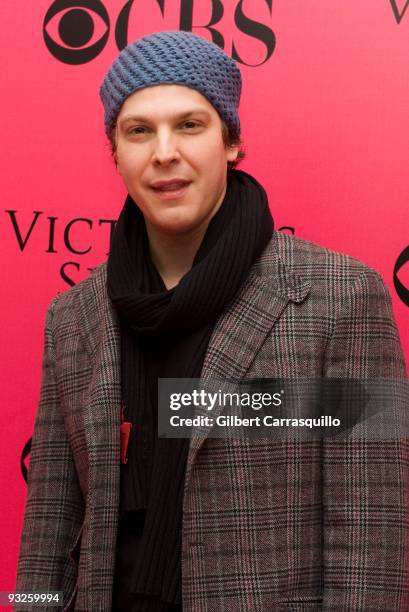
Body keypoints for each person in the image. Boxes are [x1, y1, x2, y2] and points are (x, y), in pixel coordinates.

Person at [16, 30, 408, 611]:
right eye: (139, 130)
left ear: (231, 142)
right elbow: (49, 526)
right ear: (115, 153)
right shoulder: (73, 318)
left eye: (190, 125)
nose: (164, 151)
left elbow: (369, 535)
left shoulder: (338, 297)